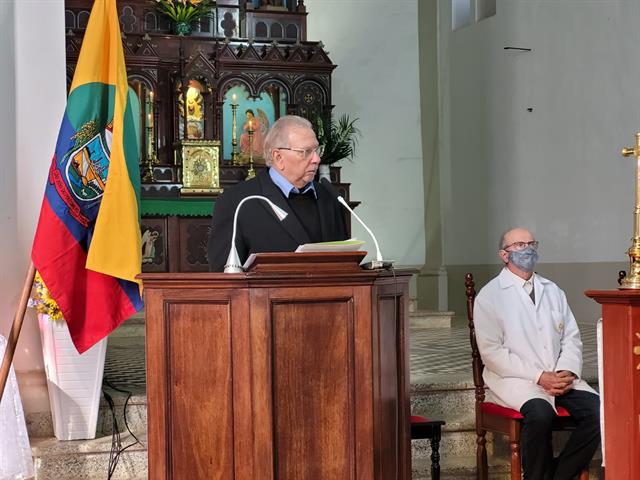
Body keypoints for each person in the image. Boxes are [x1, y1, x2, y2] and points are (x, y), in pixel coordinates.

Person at [474, 227, 600, 480]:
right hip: (517, 380)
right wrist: (539, 376)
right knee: (540, 414)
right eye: (519, 245)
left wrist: (566, 371)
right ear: (504, 254)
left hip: (559, 376)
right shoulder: (490, 295)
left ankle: (556, 475)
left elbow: (572, 337)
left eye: (531, 243)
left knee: (599, 411)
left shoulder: (552, 290)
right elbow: (492, 353)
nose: (528, 249)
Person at [208, 115, 347, 271]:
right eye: (306, 152)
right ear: (278, 157)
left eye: (316, 150)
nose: (316, 159)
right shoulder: (237, 201)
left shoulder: (329, 197)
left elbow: (345, 264)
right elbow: (223, 277)